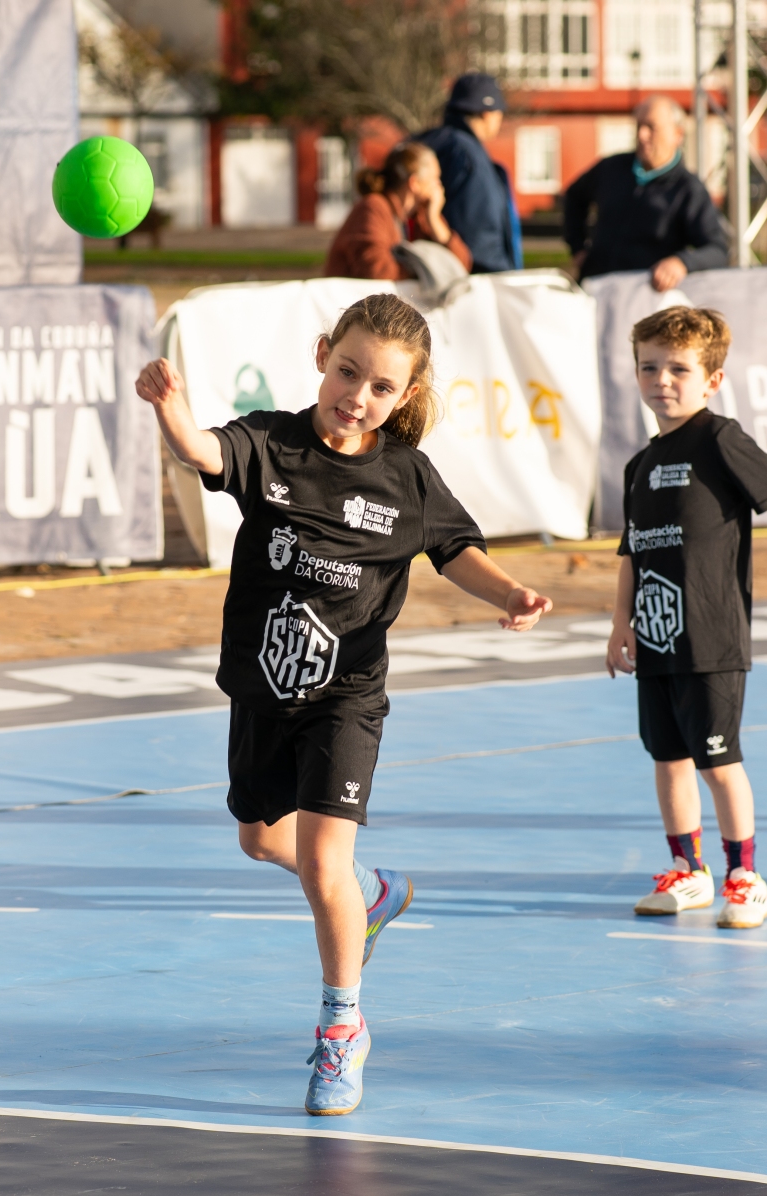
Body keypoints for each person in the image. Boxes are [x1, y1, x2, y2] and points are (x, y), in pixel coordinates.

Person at [135, 293, 550, 1116]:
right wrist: (171, 409)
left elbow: (454, 549)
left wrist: (509, 591)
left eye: (381, 386)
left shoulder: (406, 477)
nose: (358, 395)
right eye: (348, 372)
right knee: (262, 839)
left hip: (347, 697)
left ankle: (342, 1029)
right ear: (323, 355)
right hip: (263, 687)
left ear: (405, 395)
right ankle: (370, 893)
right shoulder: (273, 442)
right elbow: (202, 451)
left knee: (321, 864)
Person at [604, 306, 767, 928]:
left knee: (718, 762)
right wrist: (620, 622)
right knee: (667, 759)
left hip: (712, 640)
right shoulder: (639, 465)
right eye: (649, 367)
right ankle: (688, 871)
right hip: (657, 641)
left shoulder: (720, 438)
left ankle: (744, 876)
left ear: (712, 380)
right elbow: (632, 550)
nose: (661, 380)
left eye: (678, 369)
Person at [561, 96, 729, 292]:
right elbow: (573, 197)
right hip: (597, 289)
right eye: (639, 126)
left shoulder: (688, 189)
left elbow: (717, 251)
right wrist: (578, 248)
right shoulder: (611, 168)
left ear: (677, 134)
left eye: (651, 127)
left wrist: (682, 263)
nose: (642, 135)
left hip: (646, 298)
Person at [414, 73, 522, 273]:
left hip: (429, 271)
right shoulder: (468, 156)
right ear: (486, 114)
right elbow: (479, 235)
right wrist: (500, 273)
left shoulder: (428, 141)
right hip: (472, 276)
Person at [323, 142, 471, 281]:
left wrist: (434, 220)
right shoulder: (373, 207)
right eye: (435, 178)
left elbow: (461, 265)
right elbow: (377, 271)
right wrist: (426, 271)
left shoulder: (420, 215)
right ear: (414, 183)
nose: (439, 186)